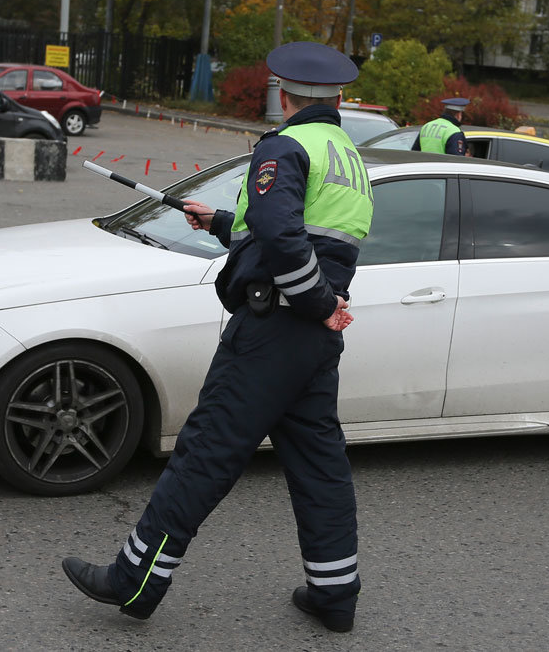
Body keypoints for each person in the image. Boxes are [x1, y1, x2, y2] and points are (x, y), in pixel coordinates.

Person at [61, 41, 374, 634]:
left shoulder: (284, 146)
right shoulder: (348, 157)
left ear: (285, 94)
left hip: (274, 330)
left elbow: (284, 239)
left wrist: (311, 302)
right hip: (312, 342)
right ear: (335, 98)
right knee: (320, 467)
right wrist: (224, 222)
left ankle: (134, 578)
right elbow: (307, 233)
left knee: (205, 452)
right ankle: (336, 594)